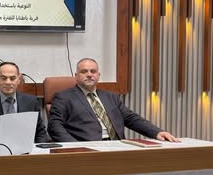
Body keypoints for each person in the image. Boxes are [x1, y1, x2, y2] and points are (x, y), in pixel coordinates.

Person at [48, 58, 179, 142]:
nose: (89, 74)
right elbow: (55, 127)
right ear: (76, 76)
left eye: (93, 71)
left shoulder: (110, 97)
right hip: (88, 148)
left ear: (98, 75)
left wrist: (157, 132)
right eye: (84, 71)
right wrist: (75, 148)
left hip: (117, 146)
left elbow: (131, 118)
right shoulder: (63, 97)